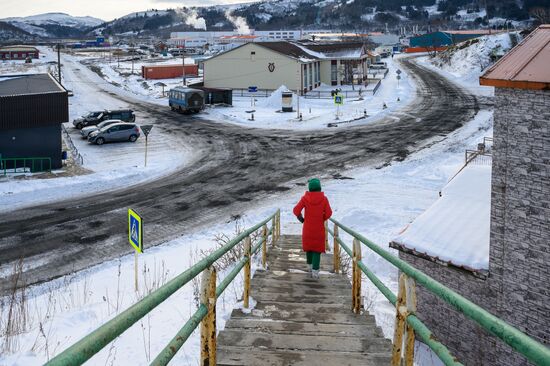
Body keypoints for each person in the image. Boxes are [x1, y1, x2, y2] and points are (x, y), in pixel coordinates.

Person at [293, 178, 332, 279]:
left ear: (310, 188)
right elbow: (329, 213)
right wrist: (321, 219)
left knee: (309, 248)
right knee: (316, 251)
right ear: (319, 188)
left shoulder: (305, 198)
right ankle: (315, 273)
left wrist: (302, 219)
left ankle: (309, 268)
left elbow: (296, 210)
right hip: (318, 229)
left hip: (307, 228)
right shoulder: (324, 199)